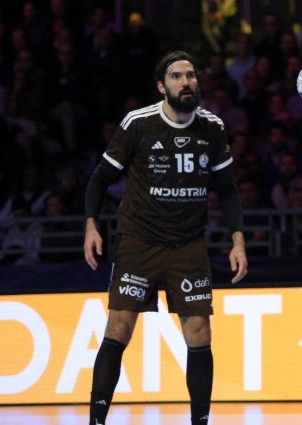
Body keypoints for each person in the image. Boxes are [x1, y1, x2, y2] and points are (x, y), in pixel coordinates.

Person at [83, 51, 248, 425]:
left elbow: (228, 189)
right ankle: (96, 421)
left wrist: (238, 241)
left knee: (200, 332)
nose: (186, 82)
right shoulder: (138, 124)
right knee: (119, 327)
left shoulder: (212, 127)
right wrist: (91, 225)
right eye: (176, 76)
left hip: (188, 245)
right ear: (162, 86)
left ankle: (200, 422)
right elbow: (99, 178)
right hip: (139, 241)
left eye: (191, 75)